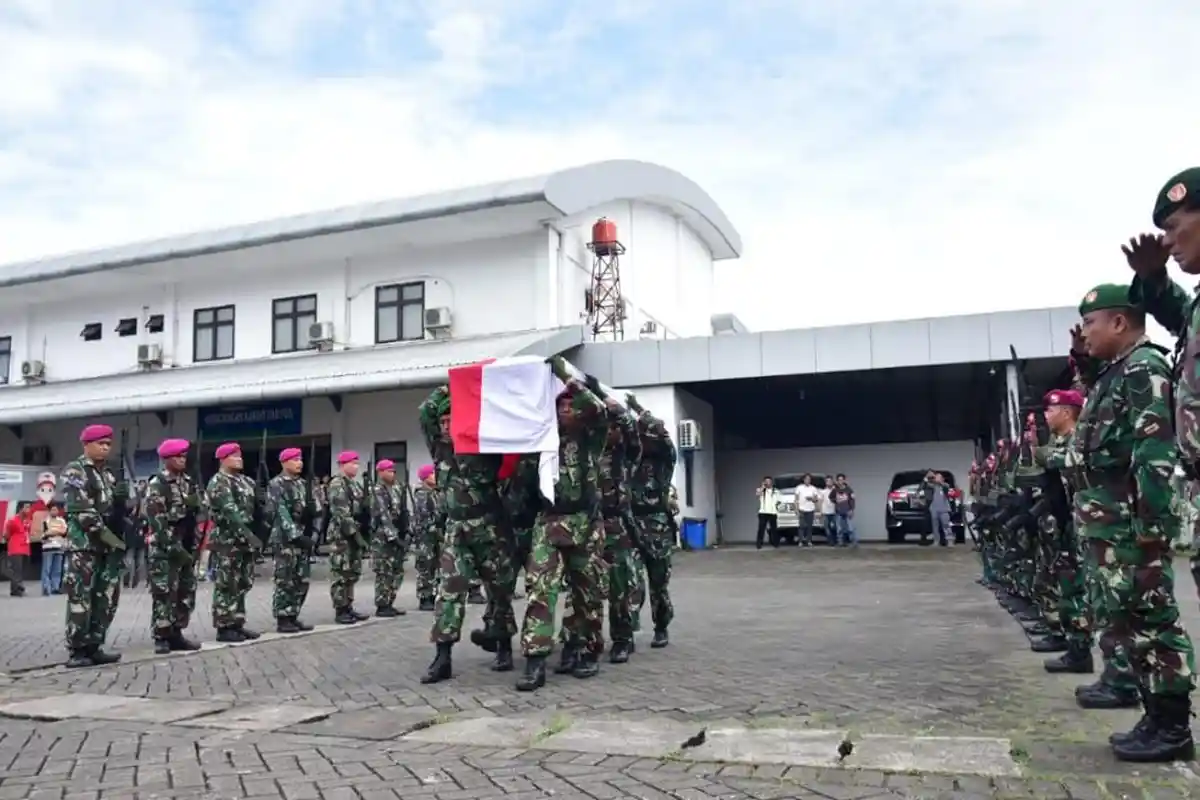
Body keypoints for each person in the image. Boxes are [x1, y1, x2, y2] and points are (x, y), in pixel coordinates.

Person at [1067, 283, 1196, 762]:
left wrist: (1151, 522)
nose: (1084, 333)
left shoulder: (1144, 368)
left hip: (1131, 524)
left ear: (1119, 322)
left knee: (1154, 622)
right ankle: (1153, 714)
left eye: (1091, 324)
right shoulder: (1115, 372)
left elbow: (1155, 449)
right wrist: (1085, 364)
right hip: (1111, 525)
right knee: (1129, 622)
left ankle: (1172, 726)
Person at [516, 368, 612, 692]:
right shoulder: (542, 440)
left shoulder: (591, 437)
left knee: (588, 591)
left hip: (585, 522)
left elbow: (599, 410)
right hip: (549, 521)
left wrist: (563, 373)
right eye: (560, 405)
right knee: (540, 589)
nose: (565, 409)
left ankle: (587, 650)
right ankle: (535, 660)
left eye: (571, 404)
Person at [60, 423, 127, 668]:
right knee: (81, 597)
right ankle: (77, 649)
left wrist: (124, 501)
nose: (105, 448)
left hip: (106, 548)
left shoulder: (108, 475)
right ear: (86, 445)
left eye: (108, 444)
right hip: (85, 546)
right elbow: (83, 512)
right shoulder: (75, 471)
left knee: (105, 597)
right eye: (100, 443)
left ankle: (94, 644)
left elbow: (115, 511)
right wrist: (112, 538)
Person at [143, 438, 201, 654]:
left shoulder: (188, 482)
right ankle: (161, 635)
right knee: (164, 592)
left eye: (184, 456)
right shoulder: (158, 483)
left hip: (186, 545)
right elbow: (156, 519)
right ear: (166, 459)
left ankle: (177, 631)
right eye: (177, 456)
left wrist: (196, 506)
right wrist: (173, 545)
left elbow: (199, 513)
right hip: (165, 549)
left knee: (185, 591)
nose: (182, 460)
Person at [205, 442, 262, 642]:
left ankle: (237, 622)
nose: (240, 458)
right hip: (227, 540)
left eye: (240, 455)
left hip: (244, 541)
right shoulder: (219, 482)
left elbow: (255, 509)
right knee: (226, 583)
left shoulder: (246, 481)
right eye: (234, 455)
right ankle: (224, 626)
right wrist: (248, 534)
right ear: (223, 459)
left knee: (243, 582)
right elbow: (230, 512)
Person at [268, 448, 315, 633]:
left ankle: (293, 614)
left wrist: (314, 533)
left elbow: (316, 509)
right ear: (284, 462)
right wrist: (296, 535)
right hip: (285, 540)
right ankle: (282, 616)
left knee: (302, 579)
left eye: (300, 459)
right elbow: (280, 512)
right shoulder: (276, 484)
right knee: (285, 579)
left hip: (303, 538)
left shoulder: (304, 484)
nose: (299, 463)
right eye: (295, 459)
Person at [326, 451, 370, 624]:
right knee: (341, 573)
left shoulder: (355, 485)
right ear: (342, 465)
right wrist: (356, 535)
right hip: (341, 536)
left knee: (352, 573)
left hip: (354, 533)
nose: (356, 467)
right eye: (353, 463)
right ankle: (340, 609)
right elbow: (341, 512)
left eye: (357, 463)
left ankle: (348, 606)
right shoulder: (337, 484)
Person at [369, 459, 408, 618]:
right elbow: (383, 515)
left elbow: (403, 511)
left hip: (397, 533)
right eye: (389, 470)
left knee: (397, 571)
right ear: (380, 472)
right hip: (382, 537)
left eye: (393, 470)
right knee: (384, 571)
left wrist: (406, 530)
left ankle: (391, 601)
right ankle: (382, 604)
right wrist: (393, 536)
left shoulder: (398, 488)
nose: (392, 473)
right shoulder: (377, 490)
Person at [411, 464, 441, 611]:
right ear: (425, 477)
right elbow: (424, 517)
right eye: (433, 474)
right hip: (425, 537)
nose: (435, 476)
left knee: (434, 565)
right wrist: (436, 529)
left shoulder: (434, 492)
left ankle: (432, 594)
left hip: (435, 536)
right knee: (425, 566)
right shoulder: (422, 494)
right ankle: (424, 597)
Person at [40, 503, 67, 595]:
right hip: (48, 548)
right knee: (47, 569)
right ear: (49, 511)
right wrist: (56, 532)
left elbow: (64, 531)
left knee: (57, 570)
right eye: (52, 510)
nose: (54, 511)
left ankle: (55, 587)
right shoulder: (45, 521)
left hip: (59, 547)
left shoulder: (61, 521)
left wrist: (53, 532)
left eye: (56, 510)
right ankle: (46, 588)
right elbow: (45, 534)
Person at [3, 505, 30, 596]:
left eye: (29, 508)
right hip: (16, 548)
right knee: (16, 569)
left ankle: (16, 588)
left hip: (25, 548)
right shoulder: (13, 520)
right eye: (26, 508)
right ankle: (16, 589)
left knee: (22, 570)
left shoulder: (27, 521)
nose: (28, 510)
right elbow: (6, 534)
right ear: (20, 509)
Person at [793, 474, 819, 547]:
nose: (808, 480)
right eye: (806, 479)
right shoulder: (799, 488)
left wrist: (812, 499)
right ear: (803, 480)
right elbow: (796, 499)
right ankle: (800, 541)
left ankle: (809, 541)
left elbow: (816, 499)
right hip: (802, 509)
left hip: (810, 509)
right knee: (801, 526)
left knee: (809, 527)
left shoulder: (813, 488)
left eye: (809, 479)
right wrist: (796, 509)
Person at [831, 475, 857, 547]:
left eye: (842, 480)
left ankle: (854, 543)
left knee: (850, 528)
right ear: (837, 481)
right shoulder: (835, 490)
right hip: (838, 512)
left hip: (848, 511)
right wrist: (836, 501)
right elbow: (831, 497)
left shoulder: (849, 489)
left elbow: (852, 500)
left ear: (844, 480)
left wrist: (851, 509)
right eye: (839, 480)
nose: (840, 482)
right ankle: (840, 542)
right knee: (839, 529)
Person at [755, 477, 779, 549]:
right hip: (763, 512)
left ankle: (775, 543)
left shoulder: (776, 491)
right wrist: (763, 487)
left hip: (773, 512)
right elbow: (758, 494)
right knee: (761, 529)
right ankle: (759, 544)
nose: (768, 483)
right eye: (766, 481)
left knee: (774, 529)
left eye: (769, 481)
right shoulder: (761, 490)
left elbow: (779, 500)